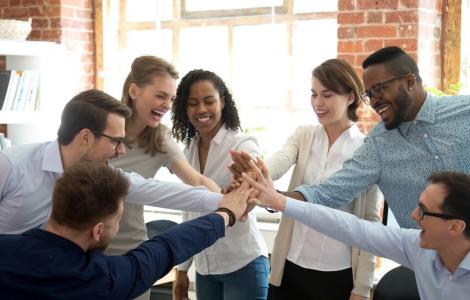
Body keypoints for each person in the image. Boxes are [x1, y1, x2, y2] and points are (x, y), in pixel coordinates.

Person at [230, 46, 470, 246]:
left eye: (380, 90)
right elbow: (326, 193)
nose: (374, 101)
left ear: (409, 81)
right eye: (369, 95)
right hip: (434, 275)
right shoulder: (379, 145)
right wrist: (272, 196)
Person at [241, 162, 470, 300]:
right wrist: (281, 202)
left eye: (423, 211)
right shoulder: (416, 247)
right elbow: (351, 228)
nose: (412, 216)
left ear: (456, 227)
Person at [0, 162, 253, 299]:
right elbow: (164, 248)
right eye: (117, 220)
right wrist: (227, 214)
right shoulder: (98, 280)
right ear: (98, 230)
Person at [0, 89, 228, 235]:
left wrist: (224, 201)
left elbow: (156, 191)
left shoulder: (98, 175)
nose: (121, 152)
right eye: (116, 142)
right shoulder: (11, 166)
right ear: (86, 138)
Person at [265, 59, 381, 300]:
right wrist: (256, 173)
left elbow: (371, 223)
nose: (318, 103)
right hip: (289, 266)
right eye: (314, 94)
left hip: (336, 274)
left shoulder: (366, 149)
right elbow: (277, 163)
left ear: (350, 97)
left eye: (327, 95)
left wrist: (362, 288)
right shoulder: (303, 135)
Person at [108, 57, 221, 300]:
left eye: (171, 98)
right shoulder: (102, 126)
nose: (167, 104)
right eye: (161, 96)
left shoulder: (160, 139)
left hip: (132, 253)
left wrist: (226, 202)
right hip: (89, 249)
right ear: (134, 90)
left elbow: (197, 180)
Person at [170, 69, 269, 300]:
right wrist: (183, 269)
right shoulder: (189, 150)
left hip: (243, 264)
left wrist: (244, 188)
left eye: (209, 101)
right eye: (193, 103)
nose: (201, 110)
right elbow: (190, 211)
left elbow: (253, 185)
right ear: (185, 108)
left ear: (222, 101)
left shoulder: (242, 143)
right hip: (205, 270)